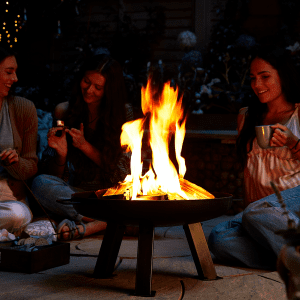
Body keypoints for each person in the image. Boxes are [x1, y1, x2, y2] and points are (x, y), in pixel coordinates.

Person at [208, 45, 300, 270]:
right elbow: (250, 171)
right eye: (253, 78)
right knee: (219, 237)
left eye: (265, 76)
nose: (257, 85)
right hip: (261, 215)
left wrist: (293, 143)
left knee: (255, 212)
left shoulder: (298, 114)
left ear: (283, 75)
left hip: (293, 204)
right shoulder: (247, 117)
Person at [31, 54, 131, 240]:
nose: (89, 90)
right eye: (86, 82)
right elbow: (53, 177)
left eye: (98, 87)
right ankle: (104, 222)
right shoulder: (65, 111)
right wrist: (61, 154)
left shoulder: (124, 115)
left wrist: (85, 146)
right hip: (75, 193)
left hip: (108, 193)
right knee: (40, 183)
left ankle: (87, 223)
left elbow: (123, 174)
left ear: (109, 90)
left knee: (136, 201)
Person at [0, 46, 38, 236]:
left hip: (8, 199)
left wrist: (16, 161)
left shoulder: (24, 109)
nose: (15, 79)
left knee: (19, 215)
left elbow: (31, 166)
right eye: (9, 72)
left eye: (15, 72)